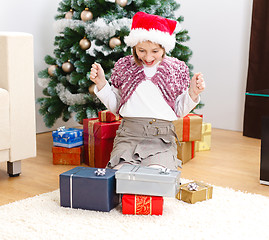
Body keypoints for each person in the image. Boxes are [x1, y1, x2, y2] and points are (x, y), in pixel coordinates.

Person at [89, 12, 205, 170]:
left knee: (156, 178)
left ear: (164, 48)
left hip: (161, 137)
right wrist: (102, 83)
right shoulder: (124, 67)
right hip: (129, 135)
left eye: (155, 51)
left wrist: (192, 93)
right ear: (134, 46)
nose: (148, 57)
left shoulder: (176, 69)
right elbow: (116, 107)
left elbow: (178, 111)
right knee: (121, 177)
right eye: (141, 50)